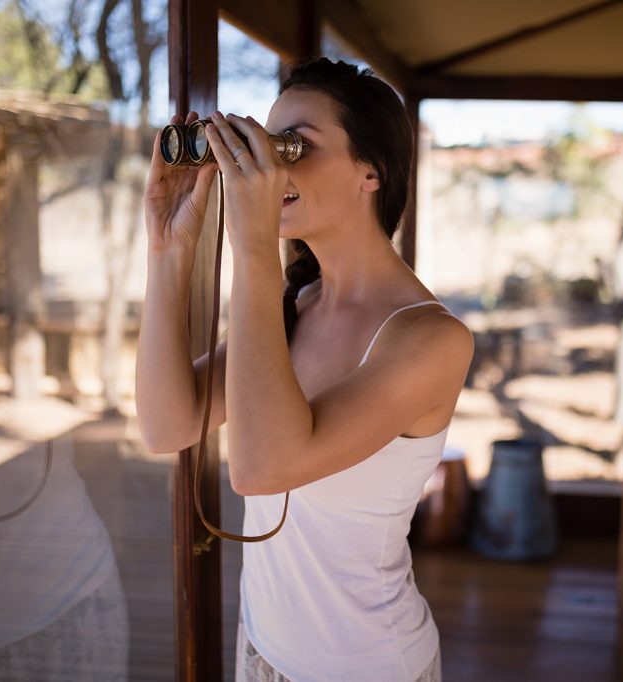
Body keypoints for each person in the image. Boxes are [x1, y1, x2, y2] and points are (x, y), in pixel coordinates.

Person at [135, 58, 473, 682]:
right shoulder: (296, 307)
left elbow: (262, 470)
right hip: (262, 645)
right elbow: (167, 425)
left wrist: (255, 245)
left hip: (365, 666)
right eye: (266, 145)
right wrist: (167, 250)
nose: (272, 167)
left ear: (371, 170)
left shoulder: (430, 340)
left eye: (295, 146)